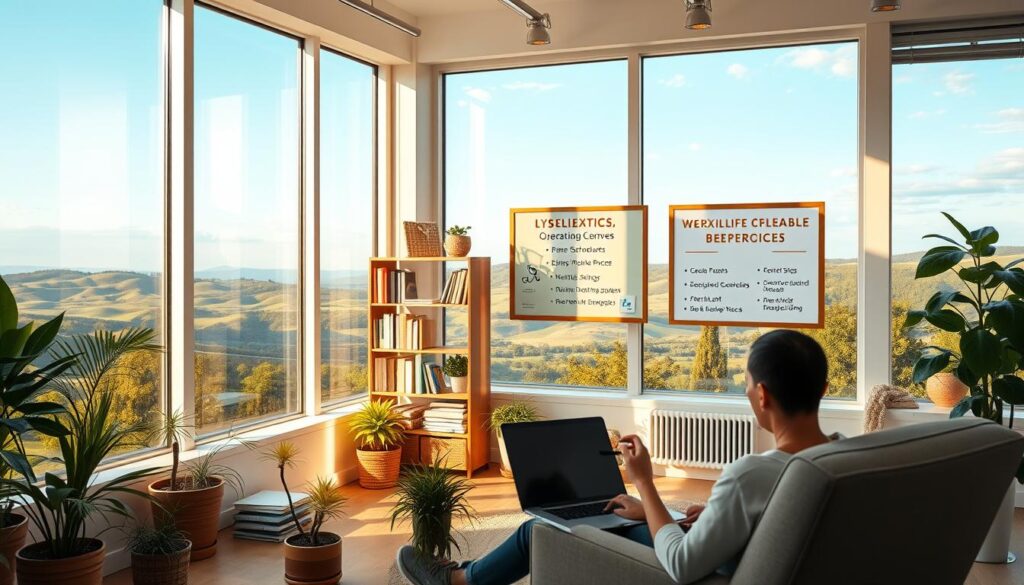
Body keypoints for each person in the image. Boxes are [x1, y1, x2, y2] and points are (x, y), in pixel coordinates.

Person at [397, 329, 837, 585]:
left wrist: (643, 480)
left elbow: (683, 563)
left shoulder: (750, 475)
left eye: (745, 385)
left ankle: (461, 581)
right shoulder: (840, 458)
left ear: (761, 395)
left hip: (702, 573)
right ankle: (472, 571)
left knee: (541, 530)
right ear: (821, 389)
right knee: (622, 515)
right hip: (730, 555)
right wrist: (673, 513)